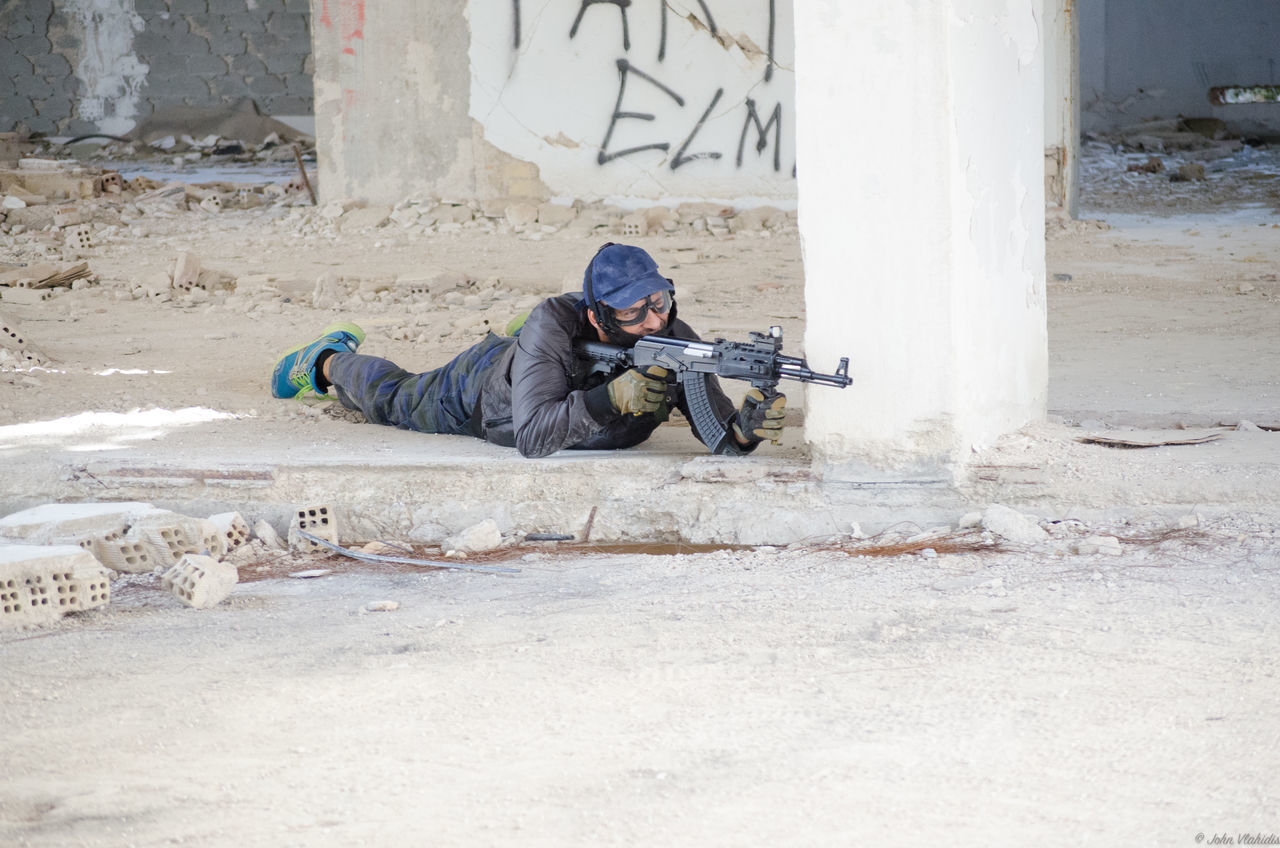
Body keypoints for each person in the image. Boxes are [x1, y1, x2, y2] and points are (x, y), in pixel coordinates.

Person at [270, 243, 786, 458]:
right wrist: (611, 399)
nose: (654, 320)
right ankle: (325, 359)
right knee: (396, 400)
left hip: (543, 363)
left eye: (660, 301)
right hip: (480, 395)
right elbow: (533, 439)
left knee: (551, 353)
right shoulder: (557, 323)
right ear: (597, 315)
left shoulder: (673, 335)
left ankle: (528, 349)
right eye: (633, 312)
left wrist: (745, 429)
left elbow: (718, 431)